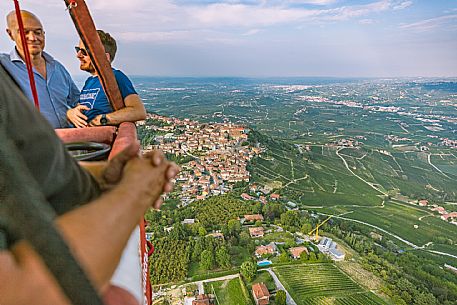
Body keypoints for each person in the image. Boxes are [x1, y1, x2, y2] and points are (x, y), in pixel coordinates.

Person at [0, 63, 179, 305]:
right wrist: (136, 192)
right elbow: (27, 292)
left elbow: (21, 175)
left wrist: (99, 175)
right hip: (71, 256)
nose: (78, 55)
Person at [0, 10, 80, 129]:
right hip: (29, 146)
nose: (32, 38)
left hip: (70, 144)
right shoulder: (3, 66)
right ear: (10, 34)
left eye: (37, 32)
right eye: (25, 32)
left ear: (44, 34)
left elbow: (77, 101)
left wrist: (73, 112)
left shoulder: (58, 68)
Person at [67, 30, 146, 128]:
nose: (78, 55)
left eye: (84, 52)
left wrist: (102, 119)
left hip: (97, 139)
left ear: (105, 57)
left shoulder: (116, 77)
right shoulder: (89, 82)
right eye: (78, 49)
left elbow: (138, 111)